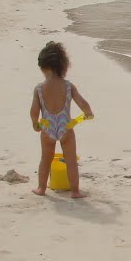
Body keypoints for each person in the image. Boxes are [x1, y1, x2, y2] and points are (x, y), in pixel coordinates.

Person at [30, 41, 94, 198]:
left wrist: (35, 123)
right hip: (66, 127)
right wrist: (88, 112)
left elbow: (34, 111)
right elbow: (82, 103)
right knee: (71, 160)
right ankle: (75, 191)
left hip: (47, 128)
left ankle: (41, 188)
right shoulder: (68, 86)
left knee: (46, 159)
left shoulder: (39, 88)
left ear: (43, 67)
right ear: (63, 65)